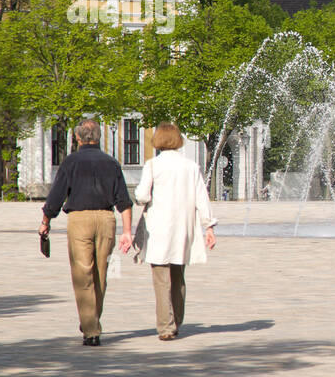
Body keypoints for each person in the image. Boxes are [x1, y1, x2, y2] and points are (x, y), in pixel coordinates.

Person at [38, 117, 134, 347]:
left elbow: (56, 196)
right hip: (106, 219)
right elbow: (124, 200)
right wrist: (127, 230)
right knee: (101, 274)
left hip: (79, 219)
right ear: (99, 137)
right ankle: (92, 322)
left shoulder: (71, 162)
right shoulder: (111, 162)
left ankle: (91, 328)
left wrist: (45, 221)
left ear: (78, 137)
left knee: (83, 274)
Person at [132, 123, 218, 341]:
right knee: (178, 277)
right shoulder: (191, 167)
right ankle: (177, 320)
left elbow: (142, 196)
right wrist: (208, 226)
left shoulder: (152, 165)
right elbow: (202, 198)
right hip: (183, 228)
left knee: (161, 279)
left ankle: (166, 326)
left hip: (159, 228)